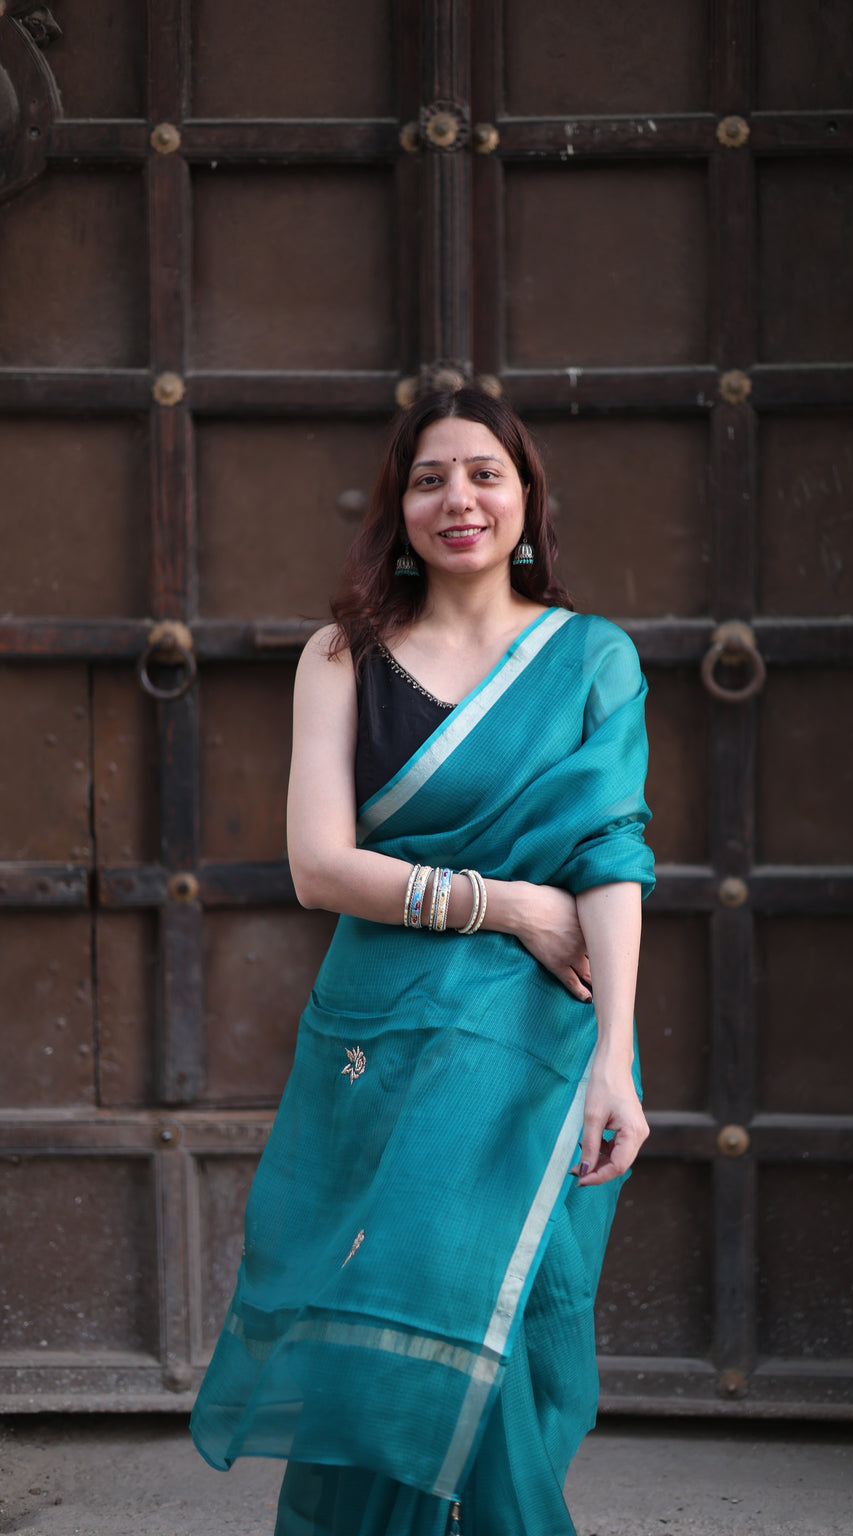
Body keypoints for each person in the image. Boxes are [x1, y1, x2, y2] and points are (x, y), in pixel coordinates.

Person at [190, 386, 655, 1536]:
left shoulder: (591, 656)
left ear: (527, 500)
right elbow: (316, 866)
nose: (460, 499)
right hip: (386, 1037)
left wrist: (617, 1061)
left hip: (541, 1050)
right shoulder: (343, 655)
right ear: (397, 510)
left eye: (485, 474)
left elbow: (611, 852)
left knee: (516, 1329)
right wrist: (505, 907)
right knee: (389, 1327)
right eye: (430, 477)